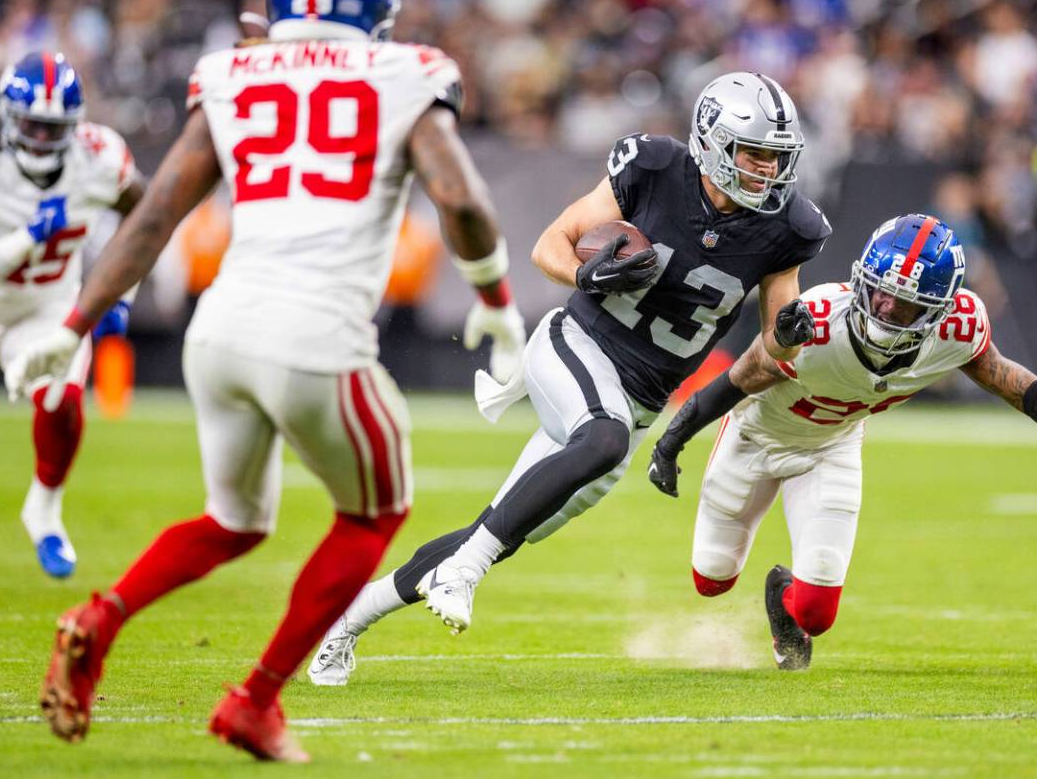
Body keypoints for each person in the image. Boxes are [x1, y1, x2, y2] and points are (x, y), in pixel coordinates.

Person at [7, 0, 526, 763]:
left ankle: (99, 620)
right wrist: (495, 296)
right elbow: (459, 194)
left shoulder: (232, 72)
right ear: (371, 14)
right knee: (373, 515)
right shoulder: (405, 71)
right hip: (315, 336)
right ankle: (255, 699)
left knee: (234, 521)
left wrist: (75, 322)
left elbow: (154, 216)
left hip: (217, 335)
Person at [308, 71, 831, 686]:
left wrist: (789, 336)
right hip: (578, 344)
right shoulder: (657, 168)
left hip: (642, 402)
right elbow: (551, 243)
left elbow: (772, 349)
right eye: (755, 154)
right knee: (598, 439)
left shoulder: (788, 226)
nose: (767, 171)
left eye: (777, 158)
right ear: (713, 142)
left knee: (502, 528)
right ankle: (464, 572)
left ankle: (345, 622)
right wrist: (584, 277)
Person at [645, 213, 1037, 670]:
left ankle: (784, 599)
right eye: (880, 291)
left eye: (906, 304)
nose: (887, 309)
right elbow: (736, 380)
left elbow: (989, 366)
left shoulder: (957, 327)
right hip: (755, 438)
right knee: (711, 577)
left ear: (938, 311)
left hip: (830, 449)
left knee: (815, 613)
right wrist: (672, 440)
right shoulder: (815, 323)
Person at [0, 51, 144, 579]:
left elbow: (147, 221)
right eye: (32, 126)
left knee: (63, 400)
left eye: (55, 129)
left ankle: (44, 510)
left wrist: (121, 295)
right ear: (7, 118)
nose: (43, 141)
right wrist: (26, 239)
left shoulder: (98, 158)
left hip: (47, 305)